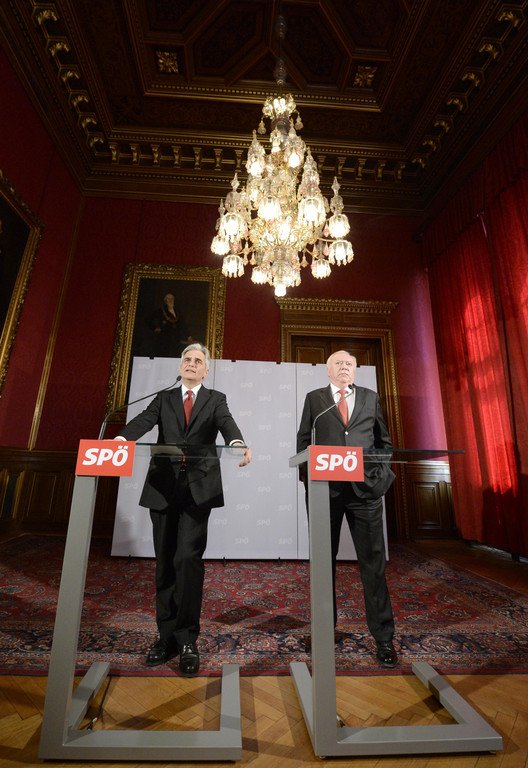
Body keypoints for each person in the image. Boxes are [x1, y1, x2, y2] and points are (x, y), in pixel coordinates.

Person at [116, 342, 251, 676]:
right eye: (187, 359)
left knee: (188, 559)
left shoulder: (215, 399)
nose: (192, 363)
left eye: (198, 360)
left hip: (197, 490)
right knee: (165, 561)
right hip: (163, 488)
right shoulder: (164, 398)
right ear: (180, 367)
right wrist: (121, 440)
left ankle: (188, 639)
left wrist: (237, 442)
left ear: (206, 370)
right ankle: (165, 638)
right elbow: (144, 421)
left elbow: (227, 423)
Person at [296, 350, 397, 667]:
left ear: (355, 371)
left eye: (349, 364)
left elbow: (383, 443)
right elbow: (303, 441)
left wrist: (377, 477)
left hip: (364, 493)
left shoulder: (370, 397)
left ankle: (383, 638)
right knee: (323, 564)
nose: (344, 368)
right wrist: (309, 480)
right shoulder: (315, 400)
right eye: (338, 364)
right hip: (325, 492)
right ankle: (324, 632)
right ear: (328, 371)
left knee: (373, 564)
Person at [146, 292, 193, 357]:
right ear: (165, 301)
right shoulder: (160, 311)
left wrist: (188, 336)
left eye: (172, 298)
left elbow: (183, 324)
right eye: (169, 299)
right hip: (164, 339)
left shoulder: (177, 311)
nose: (171, 300)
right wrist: (155, 328)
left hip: (176, 338)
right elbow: (149, 320)